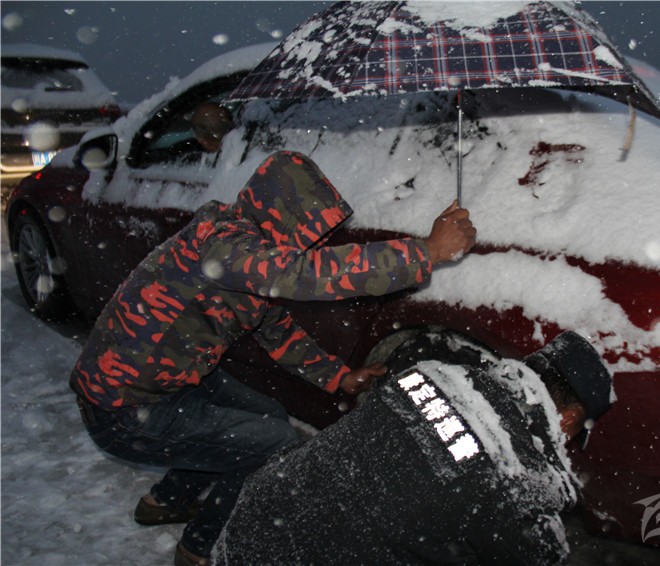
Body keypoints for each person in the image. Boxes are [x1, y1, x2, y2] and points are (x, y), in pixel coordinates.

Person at [69, 150, 476, 566]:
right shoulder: (225, 248)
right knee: (271, 443)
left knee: (267, 417)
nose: (314, 242)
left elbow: (279, 332)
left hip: (164, 381)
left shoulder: (245, 253)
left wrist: (338, 377)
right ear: (284, 216)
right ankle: (199, 549)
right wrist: (426, 251)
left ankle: (165, 501)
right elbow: (302, 274)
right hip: (122, 408)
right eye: (309, 230)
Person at [213, 330, 614, 565]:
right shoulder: (515, 484)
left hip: (250, 524)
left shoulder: (432, 372)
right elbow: (543, 554)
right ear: (567, 419)